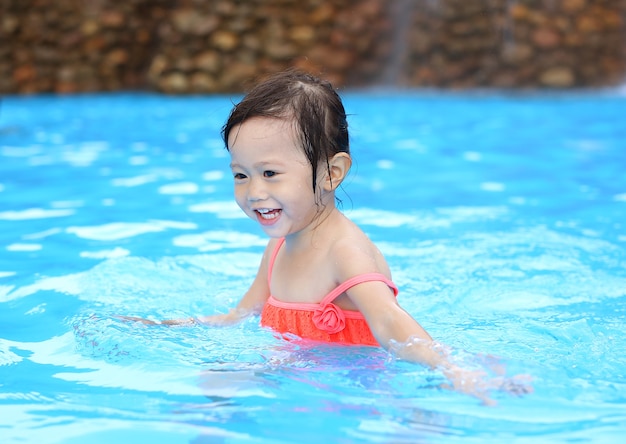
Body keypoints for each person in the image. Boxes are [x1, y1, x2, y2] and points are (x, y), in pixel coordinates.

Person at [126, 70, 531, 403]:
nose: (253, 192)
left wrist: (455, 370)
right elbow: (241, 314)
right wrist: (167, 326)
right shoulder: (279, 245)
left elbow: (390, 321)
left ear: (332, 173)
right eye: (240, 175)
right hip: (301, 374)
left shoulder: (346, 252)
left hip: (366, 386)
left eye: (270, 173)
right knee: (210, 388)